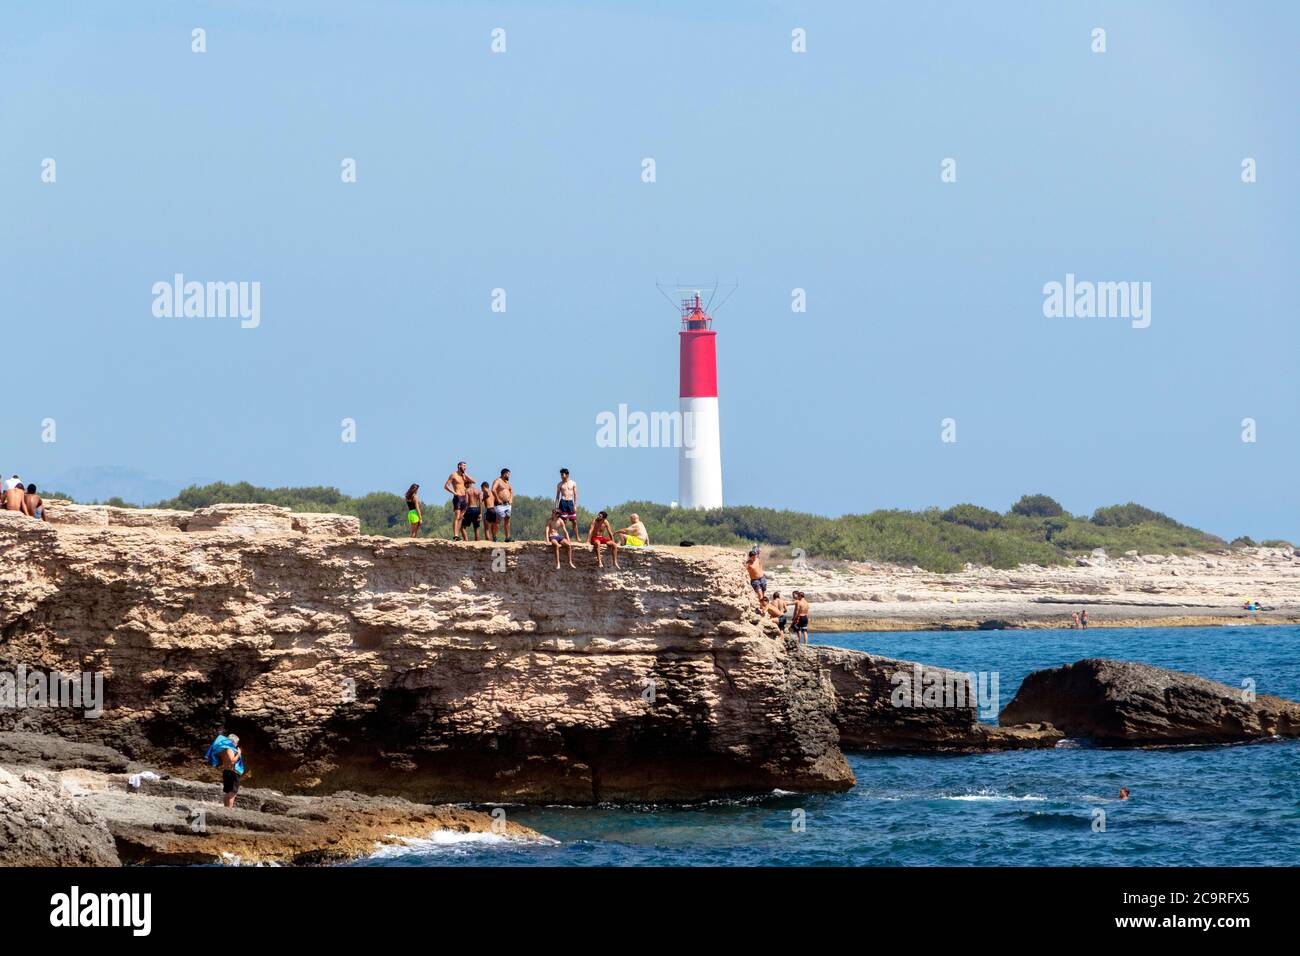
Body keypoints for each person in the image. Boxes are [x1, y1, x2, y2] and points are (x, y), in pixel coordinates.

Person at [205, 733, 245, 809]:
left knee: (228, 792)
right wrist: (239, 753)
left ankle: (226, 809)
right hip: (232, 773)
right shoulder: (229, 749)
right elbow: (232, 761)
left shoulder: (222, 749)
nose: (237, 744)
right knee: (232, 793)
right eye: (237, 742)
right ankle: (229, 810)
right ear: (233, 742)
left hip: (227, 772)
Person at [443, 461, 475, 541]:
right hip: (458, 497)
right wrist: (454, 492)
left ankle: (457, 535)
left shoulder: (464, 476)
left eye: (465, 466)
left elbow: (473, 481)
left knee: (461, 517)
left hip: (464, 497)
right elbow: (446, 486)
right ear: (459, 466)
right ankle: (455, 535)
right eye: (463, 466)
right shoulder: (453, 475)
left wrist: (466, 474)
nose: (465, 467)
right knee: (457, 516)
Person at [491, 468, 514, 542]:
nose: (509, 476)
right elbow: (493, 489)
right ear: (504, 474)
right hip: (499, 505)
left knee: (507, 520)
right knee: (498, 521)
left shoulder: (507, 482)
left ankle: (507, 537)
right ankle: (494, 536)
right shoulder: (498, 481)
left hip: (508, 504)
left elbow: (511, 490)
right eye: (508, 474)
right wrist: (497, 499)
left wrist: (511, 499)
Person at [555, 468, 578, 537]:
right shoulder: (560, 484)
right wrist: (556, 507)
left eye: (562, 474)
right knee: (563, 521)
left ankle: (577, 536)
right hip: (563, 502)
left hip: (570, 502)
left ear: (567, 475)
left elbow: (575, 494)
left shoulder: (573, 483)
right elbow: (557, 496)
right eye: (561, 475)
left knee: (574, 521)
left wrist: (575, 505)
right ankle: (564, 536)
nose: (561, 476)